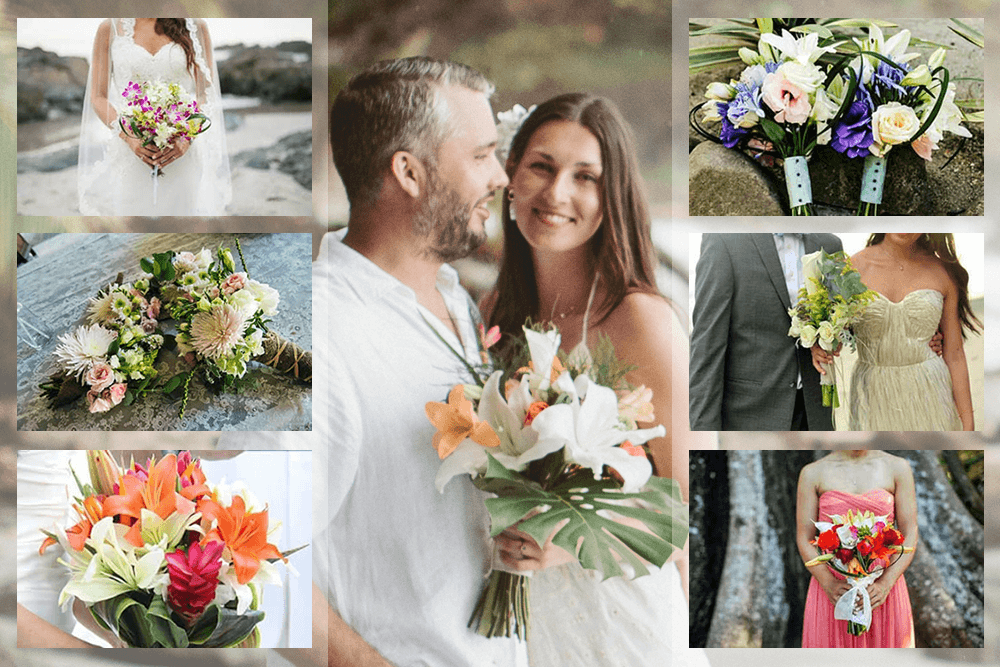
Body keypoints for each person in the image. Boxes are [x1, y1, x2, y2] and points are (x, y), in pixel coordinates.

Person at [308, 56, 523, 667]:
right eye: (481, 154)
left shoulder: (457, 301)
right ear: (408, 172)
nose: (501, 176)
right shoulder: (319, 336)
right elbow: (250, 568)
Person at [484, 93, 709, 666]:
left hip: (622, 616)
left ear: (613, 199)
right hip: (529, 623)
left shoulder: (640, 320)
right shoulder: (493, 314)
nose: (557, 193)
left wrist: (572, 538)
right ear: (510, 173)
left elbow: (691, 508)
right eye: (541, 166)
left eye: (585, 176)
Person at [812, 233, 979, 431]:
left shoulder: (942, 271)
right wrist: (818, 345)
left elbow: (955, 355)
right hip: (873, 394)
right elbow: (835, 336)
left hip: (931, 389)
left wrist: (968, 427)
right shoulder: (850, 268)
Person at [689, 233, 844, 430]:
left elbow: (841, 316)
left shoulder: (829, 244)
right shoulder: (724, 239)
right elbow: (707, 345)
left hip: (816, 413)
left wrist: (830, 338)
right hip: (749, 417)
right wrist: (703, 433)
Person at [78, 18, 231, 216]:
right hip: (132, 152)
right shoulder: (110, 28)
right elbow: (99, 97)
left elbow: (205, 94)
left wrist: (187, 137)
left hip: (180, 151)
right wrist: (129, 136)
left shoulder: (195, 26)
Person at [796, 450, 917, 647]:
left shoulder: (897, 467)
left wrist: (886, 583)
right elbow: (804, 537)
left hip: (882, 588)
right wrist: (829, 584)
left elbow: (909, 531)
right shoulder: (812, 473)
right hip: (833, 588)